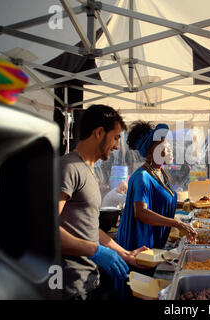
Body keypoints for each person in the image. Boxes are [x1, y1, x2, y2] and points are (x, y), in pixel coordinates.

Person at [59, 104, 148, 300]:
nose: (117, 146)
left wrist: (124, 253)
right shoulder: (68, 168)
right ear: (99, 132)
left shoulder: (88, 170)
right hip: (69, 286)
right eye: (116, 138)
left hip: (89, 282)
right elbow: (44, 230)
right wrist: (95, 250)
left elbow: (87, 226)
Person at [115, 121, 197, 298]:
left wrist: (188, 205)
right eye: (164, 146)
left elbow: (161, 203)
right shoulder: (142, 177)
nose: (169, 149)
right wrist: (177, 223)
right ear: (151, 152)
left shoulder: (160, 172)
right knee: (138, 290)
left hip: (154, 244)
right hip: (139, 245)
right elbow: (141, 212)